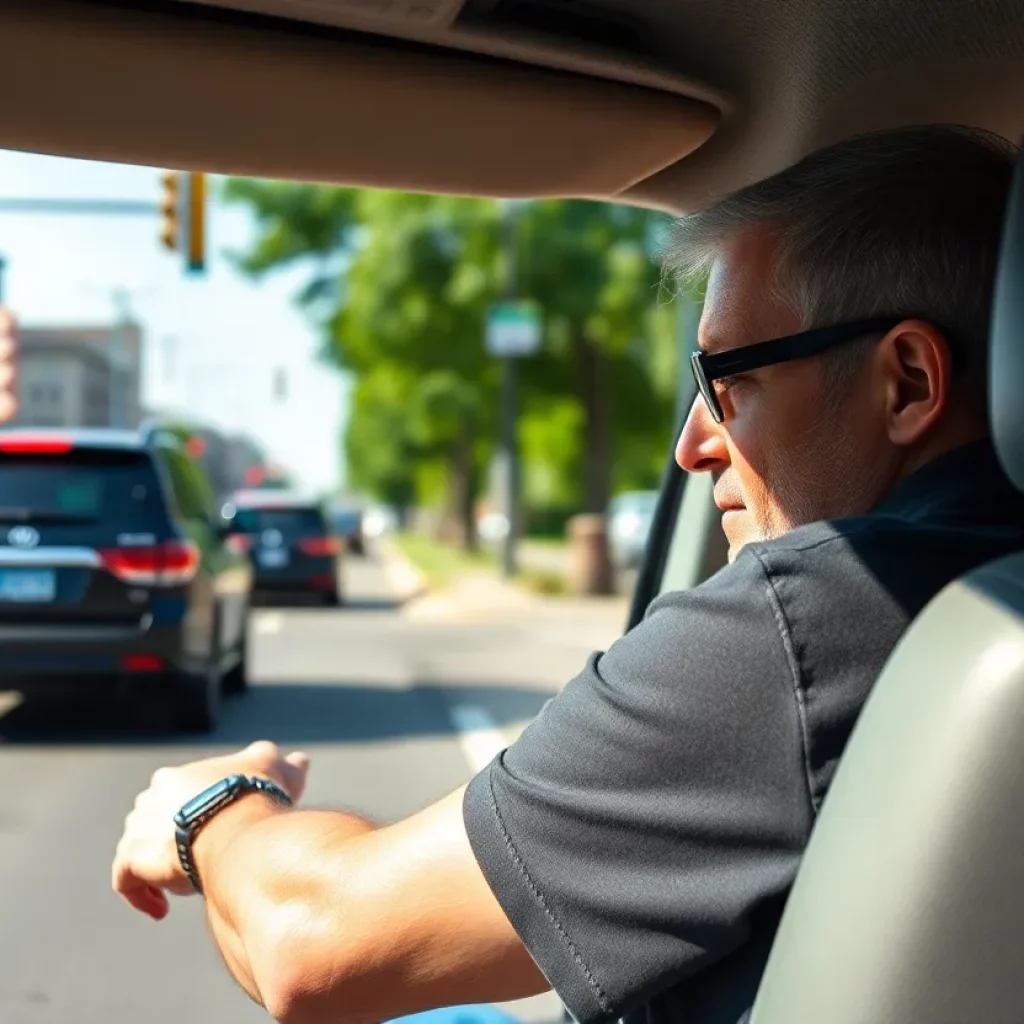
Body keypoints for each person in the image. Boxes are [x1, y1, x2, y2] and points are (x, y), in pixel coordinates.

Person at [112, 124, 1024, 1024]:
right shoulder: (984, 582)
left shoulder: (811, 621)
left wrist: (213, 808)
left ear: (906, 380)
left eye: (727, 384)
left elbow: (314, 945)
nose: (690, 445)